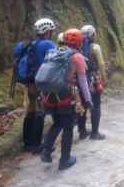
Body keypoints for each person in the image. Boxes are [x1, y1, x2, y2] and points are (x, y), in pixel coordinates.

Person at [41, 28, 94, 170]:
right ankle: (65, 160)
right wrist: (88, 100)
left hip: (49, 96)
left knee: (57, 123)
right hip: (66, 97)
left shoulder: (54, 52)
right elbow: (82, 82)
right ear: (79, 42)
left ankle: (46, 151)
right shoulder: (77, 57)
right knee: (68, 127)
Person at [23, 18, 56, 152]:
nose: (52, 32)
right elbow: (55, 63)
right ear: (47, 31)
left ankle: (27, 143)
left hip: (29, 81)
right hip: (41, 82)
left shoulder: (32, 43)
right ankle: (37, 145)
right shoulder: (48, 44)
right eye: (51, 30)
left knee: (30, 110)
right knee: (40, 111)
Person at [77, 24, 107, 140]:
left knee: (83, 104)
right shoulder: (95, 47)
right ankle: (94, 133)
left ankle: (82, 131)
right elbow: (101, 64)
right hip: (93, 79)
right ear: (93, 35)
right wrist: (104, 78)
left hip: (81, 79)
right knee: (96, 104)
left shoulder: (78, 48)